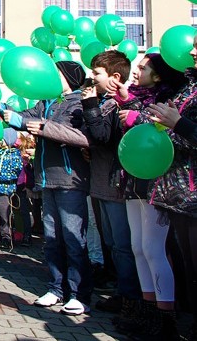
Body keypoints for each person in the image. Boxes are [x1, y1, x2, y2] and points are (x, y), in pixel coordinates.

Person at [0, 60, 94, 316]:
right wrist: (1, 109)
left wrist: (41, 126)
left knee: (73, 238)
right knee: (52, 239)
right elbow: (24, 118)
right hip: (46, 178)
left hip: (69, 179)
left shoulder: (77, 103)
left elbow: (75, 134)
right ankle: (56, 288)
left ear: (69, 78)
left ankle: (79, 294)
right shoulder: (46, 102)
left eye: (56, 73)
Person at [127, 46, 197, 340]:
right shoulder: (190, 87)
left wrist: (177, 124)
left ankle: (169, 321)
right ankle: (162, 319)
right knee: (190, 270)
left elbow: (180, 131)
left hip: (190, 191)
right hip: (175, 192)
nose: (192, 50)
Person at [112, 53, 184, 337]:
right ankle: (147, 311)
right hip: (134, 182)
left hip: (156, 183)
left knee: (154, 250)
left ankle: (165, 320)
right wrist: (128, 101)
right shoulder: (137, 97)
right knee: (139, 248)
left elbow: (159, 125)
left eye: (143, 67)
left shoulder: (170, 98)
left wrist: (134, 114)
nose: (136, 70)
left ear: (158, 76)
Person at [80, 50, 142, 316]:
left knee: (122, 244)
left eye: (96, 73)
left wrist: (91, 106)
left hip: (116, 183)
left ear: (115, 77)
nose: (92, 78)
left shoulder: (121, 104)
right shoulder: (105, 102)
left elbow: (104, 136)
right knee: (111, 243)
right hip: (101, 180)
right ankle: (121, 289)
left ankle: (130, 296)